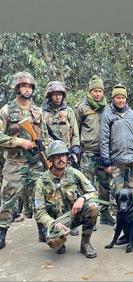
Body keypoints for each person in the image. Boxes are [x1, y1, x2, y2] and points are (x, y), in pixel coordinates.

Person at [0, 71, 49, 249]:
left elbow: (44, 136)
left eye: (29, 86)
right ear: (17, 88)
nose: (27, 89)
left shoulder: (38, 111)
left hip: (35, 163)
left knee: (39, 197)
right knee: (8, 199)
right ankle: (1, 232)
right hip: (14, 163)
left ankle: (43, 230)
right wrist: (19, 141)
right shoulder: (6, 110)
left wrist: (47, 154)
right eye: (23, 86)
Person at [34, 140, 99, 258]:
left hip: (74, 215)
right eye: (57, 157)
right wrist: (53, 224)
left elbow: (93, 192)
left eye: (63, 155)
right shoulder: (42, 181)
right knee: (55, 244)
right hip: (56, 221)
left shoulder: (74, 173)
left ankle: (85, 244)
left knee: (93, 207)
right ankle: (59, 240)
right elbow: (39, 212)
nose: (61, 159)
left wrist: (82, 198)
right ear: (51, 160)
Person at [43, 80, 81, 236]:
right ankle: (54, 225)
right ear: (50, 96)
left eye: (59, 94)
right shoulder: (42, 112)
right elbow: (40, 135)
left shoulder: (69, 111)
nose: (57, 97)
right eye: (54, 94)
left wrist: (75, 151)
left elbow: (76, 133)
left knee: (70, 189)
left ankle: (72, 223)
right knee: (52, 192)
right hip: (49, 157)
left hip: (66, 156)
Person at [76, 75, 114, 226]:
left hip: (104, 153)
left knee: (105, 185)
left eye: (100, 91)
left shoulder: (108, 108)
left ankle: (105, 214)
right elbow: (76, 130)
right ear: (90, 91)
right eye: (95, 91)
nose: (97, 94)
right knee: (87, 185)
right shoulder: (82, 108)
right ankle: (88, 217)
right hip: (88, 152)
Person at [100, 84, 133, 204]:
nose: (121, 100)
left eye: (123, 98)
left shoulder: (131, 113)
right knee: (117, 193)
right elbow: (104, 139)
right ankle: (119, 220)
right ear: (113, 99)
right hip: (116, 161)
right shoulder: (107, 115)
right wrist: (106, 161)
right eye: (118, 98)